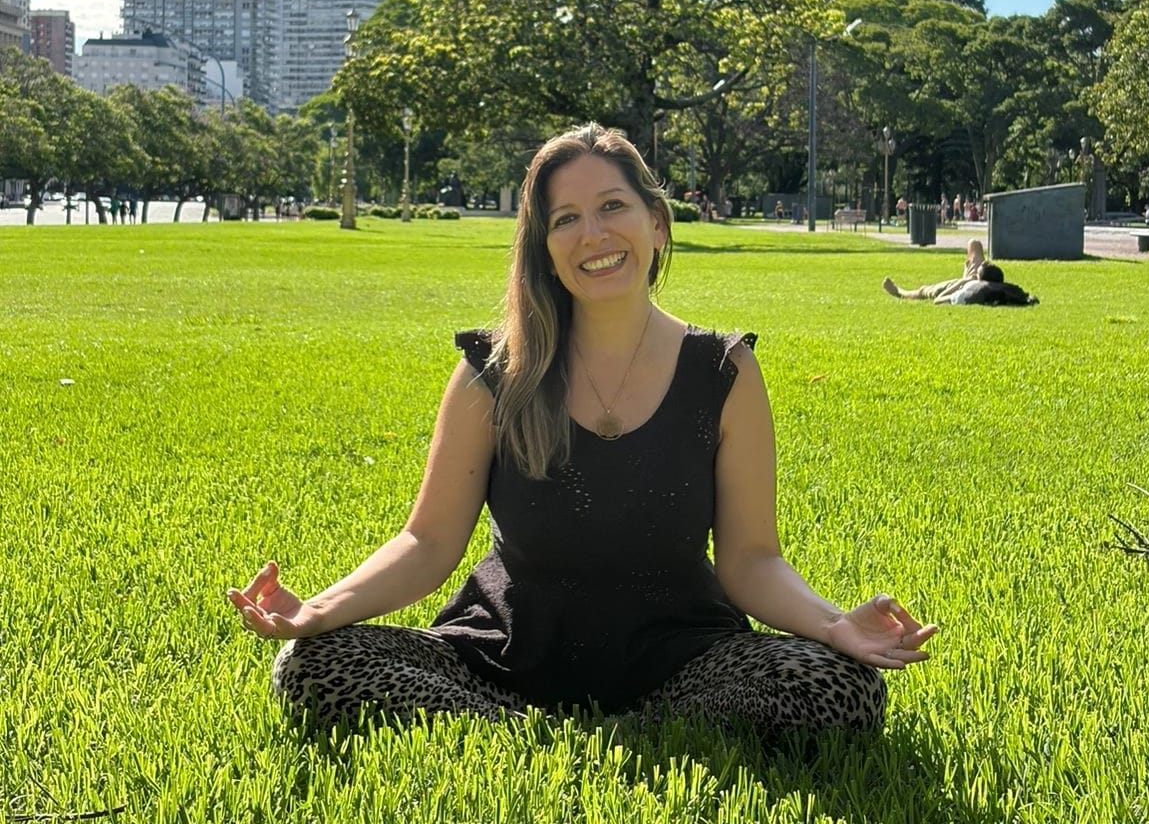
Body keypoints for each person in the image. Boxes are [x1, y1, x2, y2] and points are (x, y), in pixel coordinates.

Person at [229, 123, 935, 736]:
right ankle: (539, 729)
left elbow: (751, 560)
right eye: (565, 219)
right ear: (544, 246)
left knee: (839, 687)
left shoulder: (724, 371)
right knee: (312, 666)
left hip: (684, 665)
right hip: (500, 663)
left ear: (656, 223)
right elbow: (428, 542)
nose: (593, 235)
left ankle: (618, 732)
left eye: (612, 206)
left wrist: (834, 624)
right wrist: (317, 610)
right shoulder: (494, 373)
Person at [882, 238, 985, 303]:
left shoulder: (964, 294)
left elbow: (939, 299)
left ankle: (900, 293)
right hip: (983, 279)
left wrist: (964, 281)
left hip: (970, 283)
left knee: (925, 291)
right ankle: (969, 271)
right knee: (974, 243)